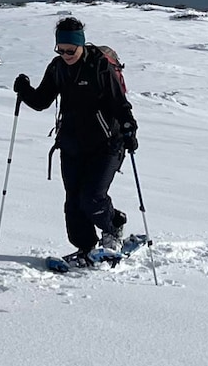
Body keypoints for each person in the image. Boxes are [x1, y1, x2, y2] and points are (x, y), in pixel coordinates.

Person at [13, 16, 138, 266]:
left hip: (107, 145)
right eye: (60, 50)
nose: (65, 55)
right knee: (73, 202)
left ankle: (113, 226)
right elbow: (42, 101)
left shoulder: (99, 67)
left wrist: (128, 128)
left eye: (70, 50)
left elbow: (119, 103)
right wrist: (24, 89)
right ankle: (86, 247)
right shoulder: (58, 67)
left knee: (92, 197)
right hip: (71, 144)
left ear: (81, 45)